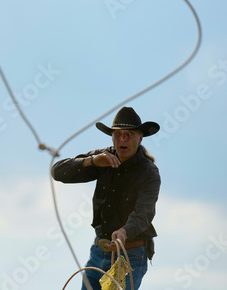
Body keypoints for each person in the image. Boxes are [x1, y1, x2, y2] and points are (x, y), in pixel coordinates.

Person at [51, 107, 161, 290]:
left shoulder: (149, 172)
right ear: (112, 137)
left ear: (140, 138)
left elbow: (144, 213)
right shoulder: (104, 158)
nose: (122, 139)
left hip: (130, 255)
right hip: (98, 251)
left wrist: (124, 231)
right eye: (118, 135)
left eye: (129, 134)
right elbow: (58, 172)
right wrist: (91, 161)